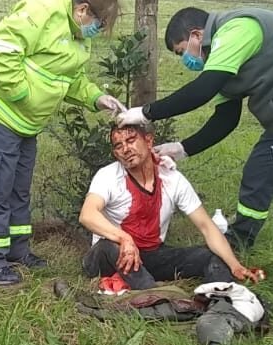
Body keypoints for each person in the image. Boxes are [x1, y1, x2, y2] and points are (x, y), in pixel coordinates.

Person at [0, 0, 126, 286]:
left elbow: (70, 77)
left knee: (17, 187)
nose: (99, 31)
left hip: (25, 123)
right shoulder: (41, 11)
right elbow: (2, 53)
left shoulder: (78, 35)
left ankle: (17, 250)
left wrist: (95, 97)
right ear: (82, 10)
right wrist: (24, 96)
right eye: (99, 24)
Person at [117, 5, 273, 249]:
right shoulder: (222, 57)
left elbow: (202, 90)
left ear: (196, 35)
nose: (186, 60)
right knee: (258, 173)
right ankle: (238, 243)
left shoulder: (238, 29)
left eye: (182, 51)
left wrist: (145, 113)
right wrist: (183, 149)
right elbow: (226, 118)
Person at [79, 123, 261, 289]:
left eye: (131, 140)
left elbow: (207, 227)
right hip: (108, 257)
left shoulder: (172, 179)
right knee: (110, 247)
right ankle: (155, 294)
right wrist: (124, 239)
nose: (126, 149)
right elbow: (87, 214)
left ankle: (220, 298)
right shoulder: (108, 176)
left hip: (150, 255)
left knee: (209, 257)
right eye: (119, 146)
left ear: (149, 141)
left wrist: (235, 265)